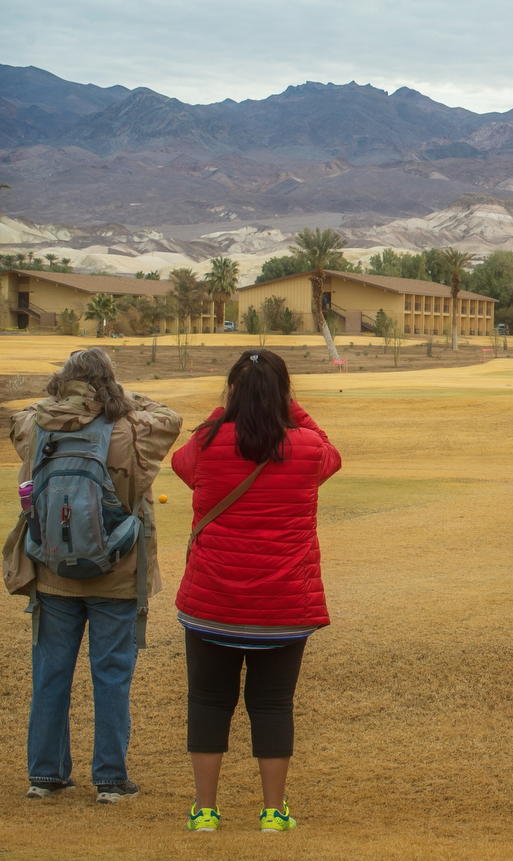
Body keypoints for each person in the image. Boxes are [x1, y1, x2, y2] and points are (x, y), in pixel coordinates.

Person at [171, 350, 341, 833]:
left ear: (232, 393)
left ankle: (205, 810)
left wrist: (222, 412)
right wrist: (293, 407)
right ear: (283, 394)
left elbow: (182, 466)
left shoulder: (207, 442)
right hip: (285, 604)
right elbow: (332, 453)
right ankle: (272, 811)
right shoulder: (305, 446)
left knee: (207, 701)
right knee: (272, 705)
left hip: (212, 601)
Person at [10, 347, 182, 803]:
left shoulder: (37, 427)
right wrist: (119, 395)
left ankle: (45, 775)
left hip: (53, 572)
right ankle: (110, 779)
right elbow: (170, 416)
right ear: (108, 384)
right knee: (111, 675)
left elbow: (22, 413)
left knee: (50, 673)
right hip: (117, 573)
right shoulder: (129, 429)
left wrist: (62, 397)